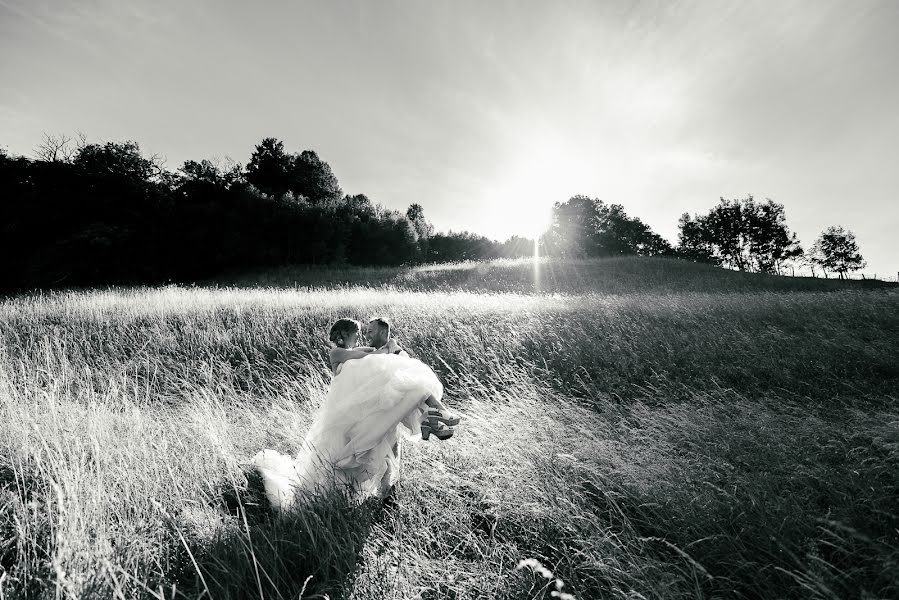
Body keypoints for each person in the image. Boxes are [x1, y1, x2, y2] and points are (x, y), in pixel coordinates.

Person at [251, 317, 460, 511]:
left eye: (364, 332)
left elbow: (377, 355)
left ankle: (431, 418)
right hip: (343, 409)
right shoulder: (337, 353)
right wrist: (387, 349)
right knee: (339, 453)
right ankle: (430, 419)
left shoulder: (359, 349)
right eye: (357, 333)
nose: (360, 337)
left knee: (406, 391)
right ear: (344, 335)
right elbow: (368, 356)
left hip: (355, 406)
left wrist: (392, 347)